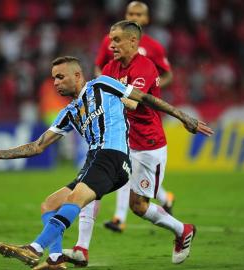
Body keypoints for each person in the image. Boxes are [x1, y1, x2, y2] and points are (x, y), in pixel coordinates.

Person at [0, 56, 213, 269]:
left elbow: (145, 98)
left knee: (76, 199)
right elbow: (37, 146)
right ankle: (55, 260)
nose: (56, 83)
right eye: (53, 79)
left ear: (77, 75)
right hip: (95, 160)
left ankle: (34, 249)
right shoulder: (70, 112)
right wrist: (0, 153)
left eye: (60, 77)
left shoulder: (101, 84)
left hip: (113, 155)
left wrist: (185, 117)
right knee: (49, 205)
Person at [63, 19, 186, 266]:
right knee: (90, 187)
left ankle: (182, 230)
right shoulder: (110, 68)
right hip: (120, 142)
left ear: (133, 41)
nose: (112, 45)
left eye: (117, 40)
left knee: (139, 207)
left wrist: (105, 97)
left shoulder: (146, 67)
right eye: (110, 40)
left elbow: (132, 102)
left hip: (148, 144)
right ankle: (81, 249)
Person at [97, 1, 176, 235]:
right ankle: (120, 218)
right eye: (131, 13)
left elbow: (165, 75)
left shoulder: (152, 50)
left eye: (139, 14)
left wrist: (151, 89)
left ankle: (162, 201)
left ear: (146, 19)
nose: (135, 16)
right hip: (123, 128)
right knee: (124, 173)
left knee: (132, 181)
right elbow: (99, 68)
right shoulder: (111, 45)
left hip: (144, 128)